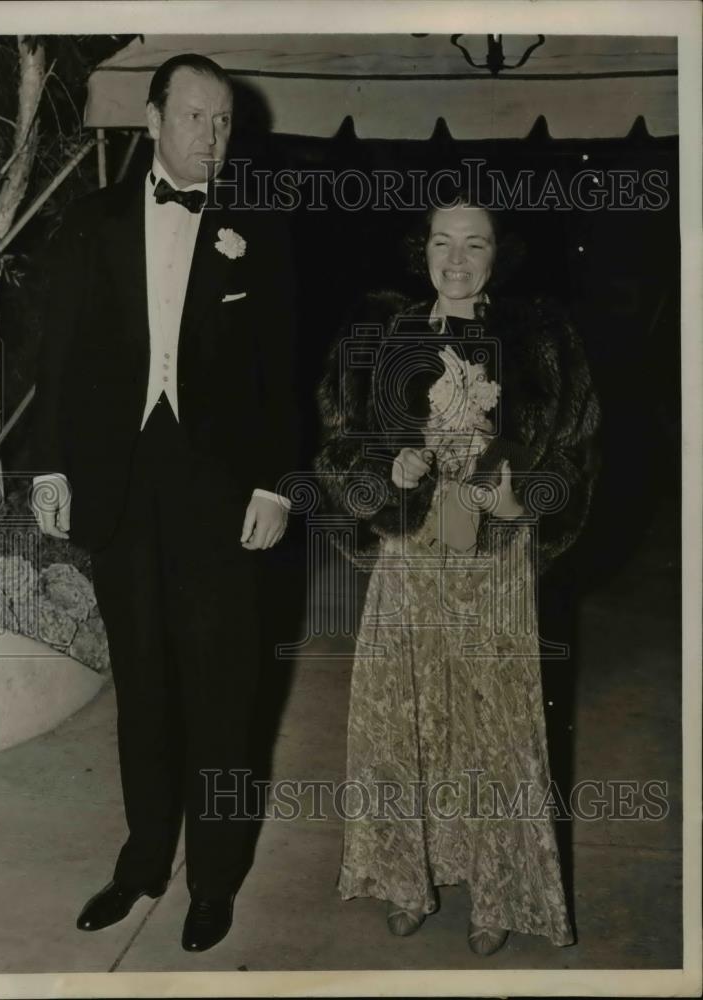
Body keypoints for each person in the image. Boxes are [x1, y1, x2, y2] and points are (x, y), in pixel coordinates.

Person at [29, 54, 298, 952]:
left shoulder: (262, 228)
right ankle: (143, 863)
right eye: (194, 118)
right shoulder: (90, 221)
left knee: (226, 691)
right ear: (152, 121)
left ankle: (214, 880)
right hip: (119, 484)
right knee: (141, 685)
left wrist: (274, 484)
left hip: (222, 492)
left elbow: (285, 373)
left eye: (223, 122)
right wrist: (51, 469)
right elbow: (56, 358)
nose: (212, 137)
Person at [315, 194, 600, 954]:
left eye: (474, 245)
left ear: (497, 255)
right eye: (442, 243)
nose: (456, 259)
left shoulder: (541, 339)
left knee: (490, 726)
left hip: (493, 564)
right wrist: (391, 468)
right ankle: (407, 875)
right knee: (406, 718)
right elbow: (340, 451)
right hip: (410, 562)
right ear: (422, 251)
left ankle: (496, 894)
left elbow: (575, 457)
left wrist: (522, 498)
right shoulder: (380, 334)